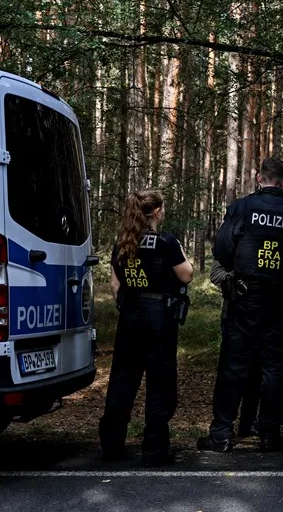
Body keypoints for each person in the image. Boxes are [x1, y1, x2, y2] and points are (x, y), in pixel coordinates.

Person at [200, 158, 283, 453]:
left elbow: (222, 249)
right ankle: (270, 434)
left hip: (243, 298)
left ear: (259, 178)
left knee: (233, 366)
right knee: (276, 369)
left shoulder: (242, 208)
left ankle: (221, 434)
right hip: (278, 299)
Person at [99, 189, 194, 467]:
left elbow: (115, 284)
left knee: (122, 381)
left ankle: (112, 446)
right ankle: (154, 450)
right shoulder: (166, 242)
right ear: (157, 212)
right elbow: (187, 275)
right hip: (159, 318)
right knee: (160, 385)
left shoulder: (123, 242)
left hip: (130, 316)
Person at [209, 259, 263, 438]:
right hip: (233, 315)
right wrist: (239, 279)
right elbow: (215, 274)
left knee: (257, 372)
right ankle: (223, 427)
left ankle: (249, 423)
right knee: (232, 372)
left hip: (263, 315)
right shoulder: (231, 245)